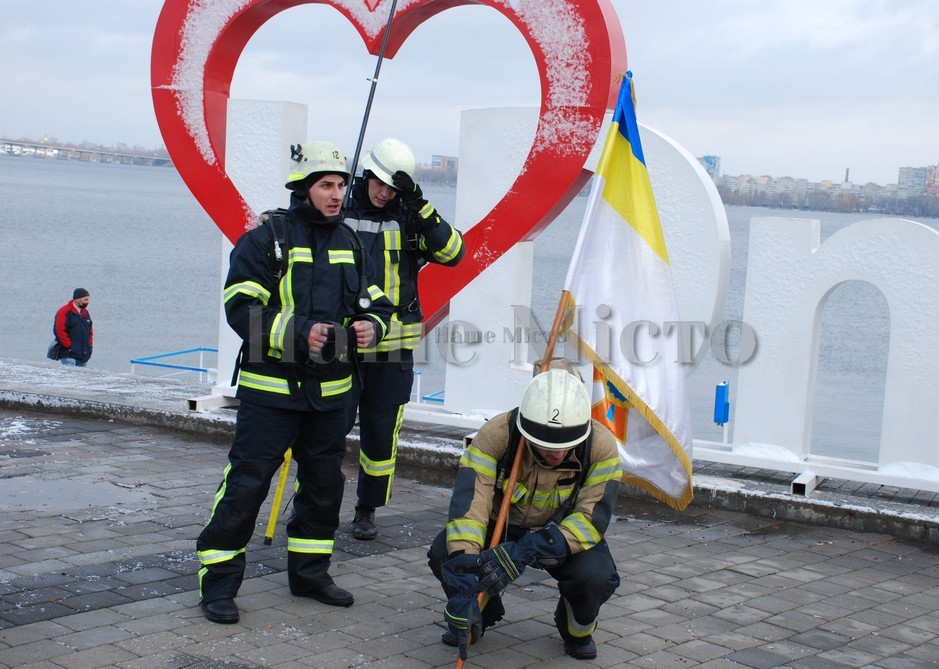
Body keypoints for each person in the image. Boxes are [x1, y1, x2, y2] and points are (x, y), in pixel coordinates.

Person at [195, 141, 393, 625]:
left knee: (324, 488)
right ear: (302, 188)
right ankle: (218, 583)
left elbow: (377, 303)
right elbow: (241, 310)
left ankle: (309, 574)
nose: (337, 193)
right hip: (271, 394)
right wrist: (303, 332)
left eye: (341, 184)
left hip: (331, 397)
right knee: (246, 486)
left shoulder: (351, 242)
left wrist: (374, 327)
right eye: (327, 184)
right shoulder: (265, 239)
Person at [427, 367, 623, 661]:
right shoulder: (497, 434)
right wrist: (463, 568)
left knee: (595, 577)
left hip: (560, 535)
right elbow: (471, 508)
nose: (554, 453)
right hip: (502, 526)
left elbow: (591, 519)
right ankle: (480, 609)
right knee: (445, 553)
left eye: (564, 444)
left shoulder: (601, 446)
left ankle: (577, 629)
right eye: (543, 443)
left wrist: (532, 547)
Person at [343, 138, 465, 540]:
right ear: (367, 175)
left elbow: (453, 251)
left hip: (393, 351)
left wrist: (421, 205)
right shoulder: (340, 208)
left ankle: (367, 510)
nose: (384, 193)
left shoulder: (411, 216)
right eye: (379, 183)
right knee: (325, 430)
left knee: (381, 433)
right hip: (342, 345)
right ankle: (318, 502)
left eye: (393, 187)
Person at [53, 288, 93, 367]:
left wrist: (90, 346)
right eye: (85, 299)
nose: (88, 302)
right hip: (68, 354)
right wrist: (69, 346)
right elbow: (59, 331)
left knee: (82, 378)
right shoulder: (64, 311)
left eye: (88, 299)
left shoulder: (85, 312)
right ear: (77, 299)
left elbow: (90, 331)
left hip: (82, 355)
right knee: (70, 377)